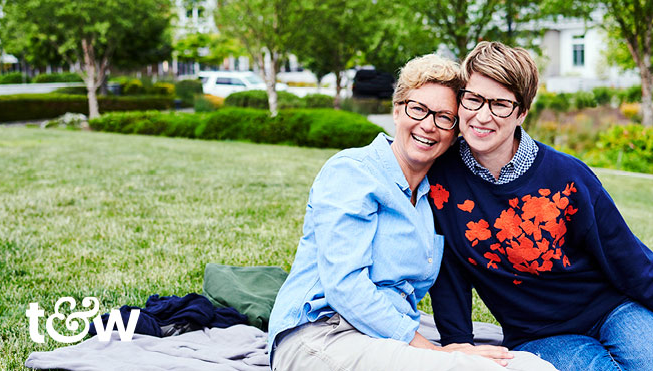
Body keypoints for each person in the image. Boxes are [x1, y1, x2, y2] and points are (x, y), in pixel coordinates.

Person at [267, 54, 556, 371]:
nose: (428, 126)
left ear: (455, 131)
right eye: (417, 109)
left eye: (444, 117)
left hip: (386, 339)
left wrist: (454, 344)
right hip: (322, 335)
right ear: (396, 109)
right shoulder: (353, 172)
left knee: (530, 365)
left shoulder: (434, 196)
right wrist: (433, 351)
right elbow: (345, 286)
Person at [427, 41, 653, 371]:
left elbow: (626, 256)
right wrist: (459, 347)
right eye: (473, 99)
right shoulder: (442, 179)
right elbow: (448, 276)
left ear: (522, 112)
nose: (482, 116)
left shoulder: (568, 175)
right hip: (539, 334)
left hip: (612, 309)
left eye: (500, 104)